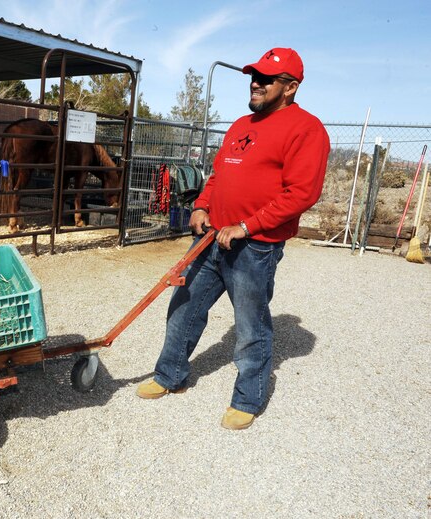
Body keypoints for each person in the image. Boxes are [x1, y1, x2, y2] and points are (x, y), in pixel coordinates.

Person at [136, 47, 330, 430]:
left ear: (290, 88)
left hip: (255, 246)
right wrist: (201, 206)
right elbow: (217, 174)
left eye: (266, 79)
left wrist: (247, 226)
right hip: (211, 237)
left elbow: (301, 193)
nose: (255, 83)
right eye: (253, 76)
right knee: (183, 307)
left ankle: (248, 398)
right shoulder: (242, 125)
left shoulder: (307, 129)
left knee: (250, 326)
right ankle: (170, 375)